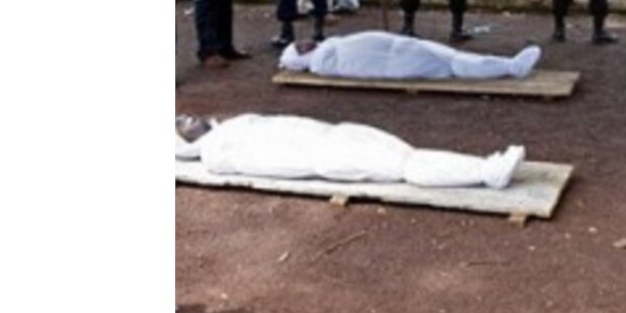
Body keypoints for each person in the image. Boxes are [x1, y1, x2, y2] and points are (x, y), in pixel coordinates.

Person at [175, 114, 526, 190]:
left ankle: (483, 166)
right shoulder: (215, 152)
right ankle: (485, 173)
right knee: (405, 166)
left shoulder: (232, 124)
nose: (183, 118)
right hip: (321, 154)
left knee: (407, 152)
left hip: (329, 134)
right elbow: (265, 161)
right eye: (180, 125)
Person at [279, 31, 542, 80]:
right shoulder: (323, 60)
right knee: (452, 63)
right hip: (394, 59)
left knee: (451, 59)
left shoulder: (325, 52)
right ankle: (510, 67)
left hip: (394, 50)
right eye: (300, 47)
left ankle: (506, 65)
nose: (306, 42)